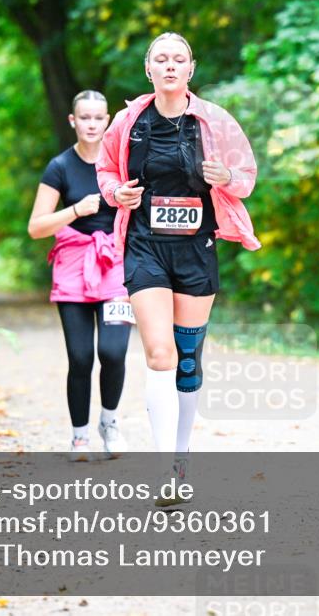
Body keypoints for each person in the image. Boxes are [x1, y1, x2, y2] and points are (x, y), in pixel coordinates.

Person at [96, 32, 260, 499]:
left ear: (191, 69)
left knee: (187, 358)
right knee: (159, 354)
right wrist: (116, 194)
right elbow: (107, 171)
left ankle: (181, 458)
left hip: (196, 247)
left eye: (179, 59)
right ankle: (166, 472)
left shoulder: (215, 122)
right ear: (149, 69)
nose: (170, 66)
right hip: (145, 245)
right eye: (161, 59)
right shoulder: (129, 120)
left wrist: (227, 177)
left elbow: (247, 177)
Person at [28, 90, 131, 459]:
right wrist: (75, 210)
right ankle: (79, 436)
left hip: (116, 264)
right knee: (81, 357)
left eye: (98, 117)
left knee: (114, 352)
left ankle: (110, 422)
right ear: (73, 121)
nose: (91, 124)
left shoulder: (122, 164)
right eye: (84, 117)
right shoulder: (59, 167)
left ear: (107, 121)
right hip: (72, 268)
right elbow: (36, 227)